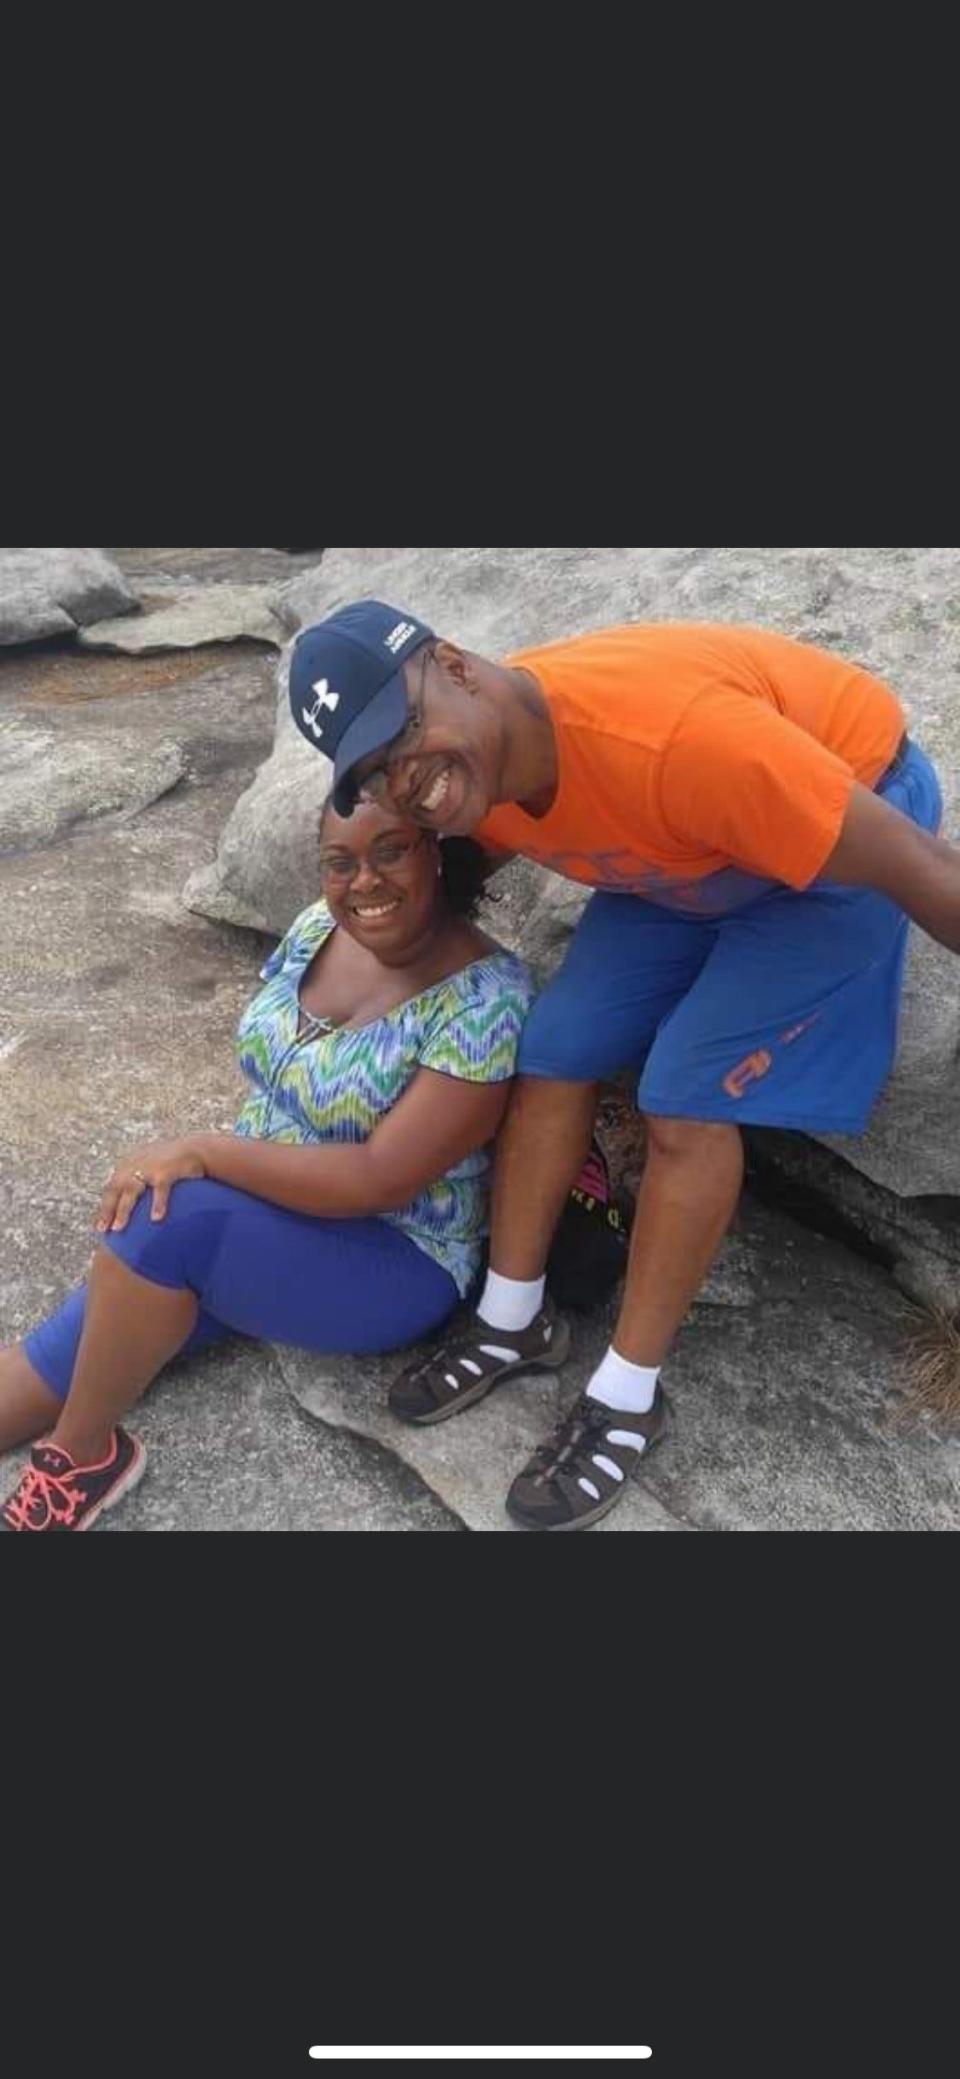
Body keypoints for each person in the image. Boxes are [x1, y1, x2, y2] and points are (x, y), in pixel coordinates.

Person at [288, 596, 947, 1531]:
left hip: (833, 838)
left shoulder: (675, 740)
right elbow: (425, 889)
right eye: (375, 769)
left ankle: (629, 1393)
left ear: (459, 667)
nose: (409, 781)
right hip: (677, 859)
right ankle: (513, 1316)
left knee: (681, 1092)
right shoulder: (469, 785)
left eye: (407, 731)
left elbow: (922, 869)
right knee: (554, 1047)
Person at [0, 793, 536, 1532]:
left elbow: (384, 1176)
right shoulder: (320, 927)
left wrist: (205, 1151)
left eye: (392, 851)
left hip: (389, 1255)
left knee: (167, 1215)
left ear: (436, 852)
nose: (365, 882)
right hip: (259, 1212)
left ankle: (84, 1457)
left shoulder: (487, 999)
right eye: (340, 862)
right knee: (48, 1363)